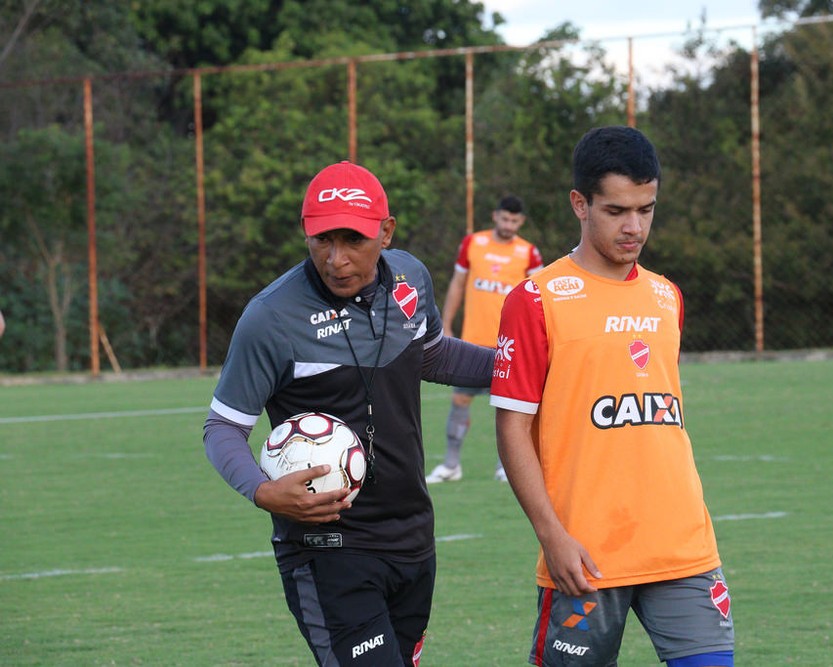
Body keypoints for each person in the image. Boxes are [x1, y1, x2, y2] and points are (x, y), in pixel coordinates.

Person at [204, 161, 494, 667]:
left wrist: (522, 369)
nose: (336, 259)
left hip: (413, 539)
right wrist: (263, 490)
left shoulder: (410, 277)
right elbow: (224, 426)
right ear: (305, 233)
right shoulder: (271, 317)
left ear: (385, 233)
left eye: (353, 241)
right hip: (327, 549)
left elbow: (434, 356)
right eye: (323, 241)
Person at [490, 126, 735, 666]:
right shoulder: (536, 300)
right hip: (585, 556)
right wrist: (552, 535)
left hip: (684, 547)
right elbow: (512, 430)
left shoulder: (667, 296)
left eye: (646, 210)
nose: (635, 227)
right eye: (617, 210)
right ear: (580, 203)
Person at [426, 195, 543, 484]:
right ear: (495, 216)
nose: (508, 224)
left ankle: (507, 466)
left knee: (510, 408)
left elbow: (541, 297)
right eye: (504, 218)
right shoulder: (472, 244)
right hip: (473, 341)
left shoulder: (529, 253)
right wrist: (447, 324)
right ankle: (452, 465)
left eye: (514, 221)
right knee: (461, 399)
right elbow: (458, 284)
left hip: (509, 344)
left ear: (521, 222)